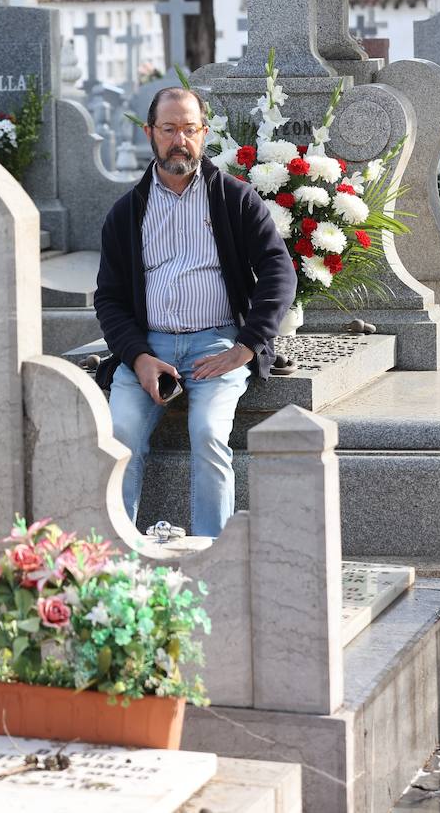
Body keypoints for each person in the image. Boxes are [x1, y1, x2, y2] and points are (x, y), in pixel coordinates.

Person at [94, 86, 296, 538]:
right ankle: (116, 563)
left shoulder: (235, 199)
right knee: (120, 434)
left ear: (204, 134)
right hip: (150, 346)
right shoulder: (127, 213)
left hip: (217, 342)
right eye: (168, 129)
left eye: (189, 129)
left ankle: (212, 558)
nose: (178, 140)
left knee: (207, 433)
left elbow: (278, 272)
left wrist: (246, 346)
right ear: (150, 133)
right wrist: (139, 357)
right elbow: (108, 297)